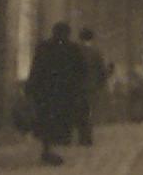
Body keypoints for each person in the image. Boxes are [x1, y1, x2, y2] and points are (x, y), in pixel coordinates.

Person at [24, 22, 81, 166]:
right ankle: (52, 150)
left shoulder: (44, 47)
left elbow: (36, 69)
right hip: (63, 93)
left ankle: (48, 148)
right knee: (59, 122)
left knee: (47, 121)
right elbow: (80, 71)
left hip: (46, 92)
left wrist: (30, 88)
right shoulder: (72, 49)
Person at [73, 27, 108, 147]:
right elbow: (102, 72)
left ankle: (81, 136)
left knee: (79, 112)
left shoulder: (75, 51)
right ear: (91, 39)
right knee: (88, 112)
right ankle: (87, 138)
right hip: (91, 88)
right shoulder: (96, 53)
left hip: (77, 88)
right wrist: (100, 85)